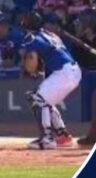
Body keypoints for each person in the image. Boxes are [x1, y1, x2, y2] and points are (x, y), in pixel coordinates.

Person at [22, 13, 80, 149]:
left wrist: (29, 68)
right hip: (73, 70)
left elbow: (32, 63)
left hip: (64, 72)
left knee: (37, 99)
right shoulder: (50, 34)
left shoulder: (31, 38)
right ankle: (62, 135)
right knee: (45, 100)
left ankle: (47, 139)